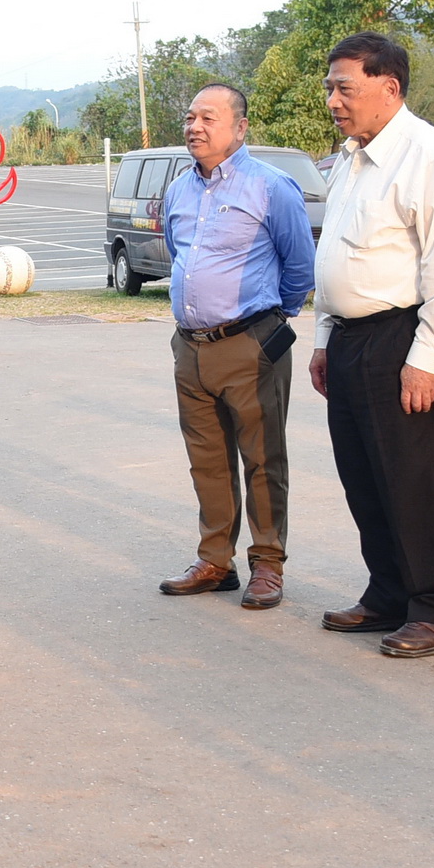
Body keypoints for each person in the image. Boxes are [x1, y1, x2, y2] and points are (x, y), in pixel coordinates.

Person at [306, 32, 434, 658]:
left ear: (389, 87)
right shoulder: (352, 158)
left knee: (416, 476)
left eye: (344, 87)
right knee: (363, 474)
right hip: (350, 340)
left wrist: (426, 359)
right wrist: (324, 336)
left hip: (405, 337)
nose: (332, 101)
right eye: (329, 88)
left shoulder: (430, 154)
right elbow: (336, 257)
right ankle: (389, 591)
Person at [154, 83, 314, 610]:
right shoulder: (179, 190)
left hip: (250, 343)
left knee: (263, 457)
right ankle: (214, 560)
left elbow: (299, 267)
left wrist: (269, 321)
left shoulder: (271, 187)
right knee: (207, 458)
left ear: (240, 128)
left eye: (209, 118)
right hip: (191, 348)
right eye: (190, 117)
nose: (195, 127)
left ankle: (267, 564)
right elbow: (180, 254)